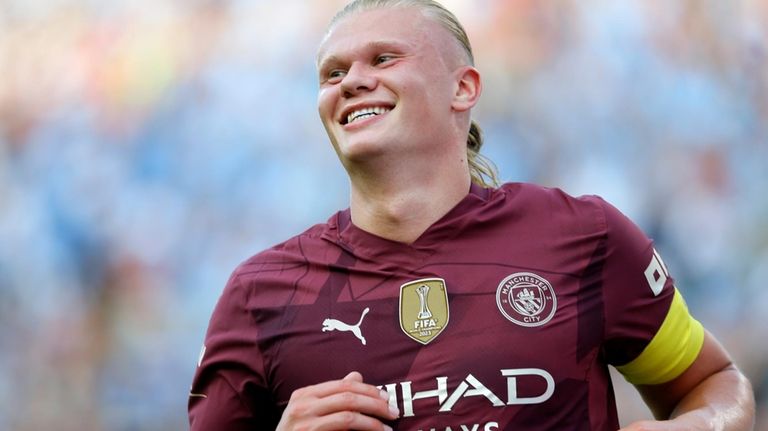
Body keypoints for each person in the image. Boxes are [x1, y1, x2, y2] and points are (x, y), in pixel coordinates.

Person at [188, 1, 756, 429]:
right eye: (332, 74)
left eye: (383, 59)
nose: (353, 80)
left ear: (463, 88)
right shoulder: (259, 294)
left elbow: (714, 383)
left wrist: (699, 426)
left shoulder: (584, 236)